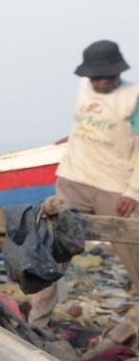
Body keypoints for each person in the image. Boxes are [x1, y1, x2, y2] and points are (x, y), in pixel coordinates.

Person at [28, 40, 139, 328]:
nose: (102, 82)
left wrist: (134, 191)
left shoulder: (133, 96)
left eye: (108, 77)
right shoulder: (84, 88)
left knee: (132, 254)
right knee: (52, 251)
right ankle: (37, 323)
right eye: (96, 77)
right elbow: (91, 121)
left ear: (118, 73)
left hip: (114, 188)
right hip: (73, 179)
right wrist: (74, 137)